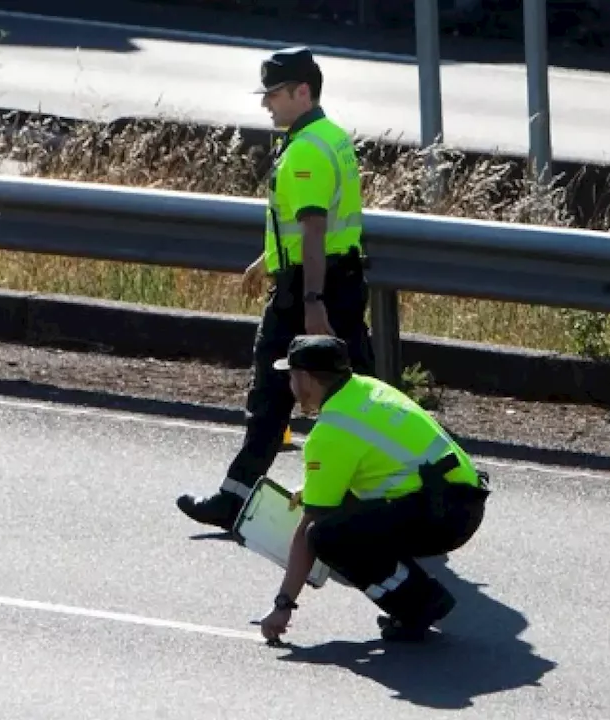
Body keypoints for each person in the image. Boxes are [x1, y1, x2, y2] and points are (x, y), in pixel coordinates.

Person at [177, 46, 375, 530]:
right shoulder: (330, 137)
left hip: (309, 291)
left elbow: (312, 228)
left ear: (301, 92)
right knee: (355, 396)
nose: (266, 105)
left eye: (274, 94)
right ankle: (376, 501)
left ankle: (235, 501)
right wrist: (266, 261)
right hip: (336, 281)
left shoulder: (306, 149)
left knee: (270, 394)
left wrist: (310, 303)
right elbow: (313, 223)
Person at [255, 335, 491, 643]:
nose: (289, 382)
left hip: (442, 518)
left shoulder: (331, 432)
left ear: (305, 378)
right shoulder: (368, 389)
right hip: (463, 500)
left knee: (327, 537)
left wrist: (283, 605)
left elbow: (310, 529)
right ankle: (420, 596)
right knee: (343, 518)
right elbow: (378, 462)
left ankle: (418, 604)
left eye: (290, 374)